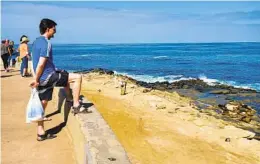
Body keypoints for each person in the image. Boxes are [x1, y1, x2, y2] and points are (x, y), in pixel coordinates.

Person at [30, 18, 86, 141]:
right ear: (48, 29)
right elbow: (40, 63)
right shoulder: (46, 43)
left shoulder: (35, 42)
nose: (55, 32)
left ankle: (41, 133)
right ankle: (76, 105)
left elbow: (33, 63)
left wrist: (37, 78)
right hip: (47, 77)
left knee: (43, 102)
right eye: (54, 29)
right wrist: (37, 80)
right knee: (77, 78)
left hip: (43, 77)